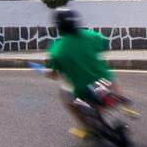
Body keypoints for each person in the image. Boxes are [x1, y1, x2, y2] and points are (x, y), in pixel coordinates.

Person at [45, 7, 123, 139]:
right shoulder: (92, 36)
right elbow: (104, 45)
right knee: (110, 75)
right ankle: (119, 97)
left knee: (63, 92)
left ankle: (88, 127)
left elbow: (54, 74)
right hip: (105, 83)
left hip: (82, 90)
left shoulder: (56, 49)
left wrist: (51, 73)